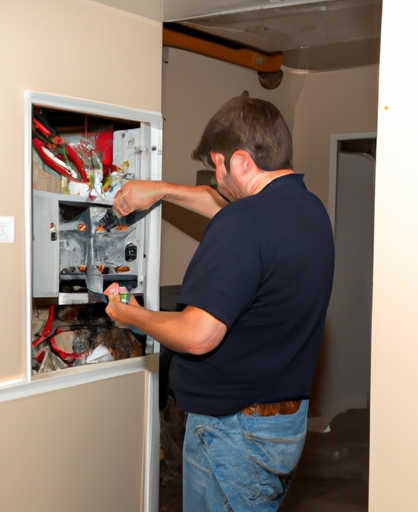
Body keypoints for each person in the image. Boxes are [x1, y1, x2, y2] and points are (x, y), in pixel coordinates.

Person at [104, 91, 334, 511]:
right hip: (283, 426)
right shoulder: (309, 210)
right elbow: (231, 211)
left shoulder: (243, 222)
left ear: (241, 162)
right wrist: (160, 190)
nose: (216, 180)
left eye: (217, 166)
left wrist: (129, 313)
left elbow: (199, 335)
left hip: (232, 434)